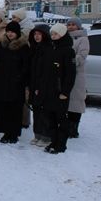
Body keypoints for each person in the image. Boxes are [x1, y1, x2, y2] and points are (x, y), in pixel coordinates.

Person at [0, 21, 30, 144]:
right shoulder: (2, 44)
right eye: (8, 31)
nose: (10, 34)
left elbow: (26, 65)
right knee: (3, 108)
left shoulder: (23, 46)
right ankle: (5, 132)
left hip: (16, 84)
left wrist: (19, 77)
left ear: (17, 33)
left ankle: (13, 133)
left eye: (12, 32)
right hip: (2, 82)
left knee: (15, 109)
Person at [41, 23, 76, 154]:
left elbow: (70, 74)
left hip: (60, 91)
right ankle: (53, 141)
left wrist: (65, 92)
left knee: (61, 118)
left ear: (61, 34)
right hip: (49, 90)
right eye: (52, 34)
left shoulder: (68, 50)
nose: (53, 36)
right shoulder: (51, 48)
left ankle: (61, 144)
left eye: (55, 34)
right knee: (50, 118)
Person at [28, 24, 53, 148]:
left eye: (39, 34)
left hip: (44, 86)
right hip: (34, 84)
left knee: (44, 111)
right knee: (36, 110)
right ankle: (37, 134)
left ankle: (46, 136)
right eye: (35, 34)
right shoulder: (34, 48)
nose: (37, 37)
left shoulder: (48, 49)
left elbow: (46, 71)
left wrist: (40, 87)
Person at [66, 17, 89, 139]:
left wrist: (69, 62)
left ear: (78, 26)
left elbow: (82, 55)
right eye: (69, 24)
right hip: (65, 74)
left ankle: (73, 129)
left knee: (76, 102)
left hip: (77, 74)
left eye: (73, 24)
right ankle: (67, 126)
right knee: (67, 102)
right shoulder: (65, 37)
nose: (70, 26)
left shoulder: (83, 39)